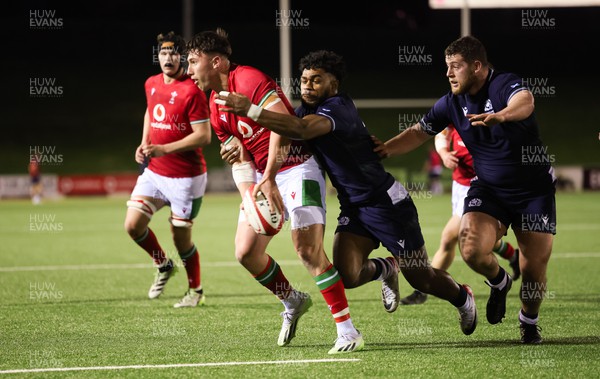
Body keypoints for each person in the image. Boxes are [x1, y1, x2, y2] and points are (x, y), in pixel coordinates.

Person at [215, 50, 478, 343]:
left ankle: (462, 296)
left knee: (422, 278)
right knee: (348, 275)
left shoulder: (337, 107)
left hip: (386, 203)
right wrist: (240, 146)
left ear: (334, 85)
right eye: (304, 80)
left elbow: (299, 130)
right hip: (353, 206)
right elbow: (277, 135)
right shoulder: (302, 111)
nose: (308, 86)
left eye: (317, 80)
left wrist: (251, 109)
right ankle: (386, 267)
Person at [186, 29, 372, 354]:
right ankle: (292, 299)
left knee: (307, 250)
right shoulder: (215, 107)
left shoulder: (248, 79)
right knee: (245, 253)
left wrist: (270, 175)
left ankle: (347, 330)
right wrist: (250, 195)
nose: (188, 70)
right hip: (263, 175)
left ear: (215, 62)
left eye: (192, 62)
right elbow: (239, 158)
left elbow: (282, 122)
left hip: (298, 166)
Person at [376, 36, 555, 344]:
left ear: (476, 66)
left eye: (455, 66)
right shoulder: (451, 102)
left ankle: (528, 321)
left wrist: (501, 116)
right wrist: (385, 150)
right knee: (470, 248)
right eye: (447, 67)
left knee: (533, 267)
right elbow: (419, 132)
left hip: (532, 190)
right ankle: (499, 282)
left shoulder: (503, 84)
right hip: (488, 188)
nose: (448, 73)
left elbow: (526, 102)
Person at [123, 31, 211, 308]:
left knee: (181, 238)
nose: (168, 58)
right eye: (163, 53)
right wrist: (144, 142)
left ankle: (195, 290)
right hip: (155, 173)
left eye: (173, 53)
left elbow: (204, 136)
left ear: (183, 58)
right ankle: (163, 265)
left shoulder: (193, 91)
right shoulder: (151, 83)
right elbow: (151, 111)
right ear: (157, 56)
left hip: (187, 178)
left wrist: (165, 149)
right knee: (133, 225)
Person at [400, 125, 521, 305]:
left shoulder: (490, 109)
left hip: (480, 185)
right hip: (459, 185)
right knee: (480, 237)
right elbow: (442, 133)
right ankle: (513, 256)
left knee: (449, 236)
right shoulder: (456, 107)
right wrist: (443, 153)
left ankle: (424, 288)